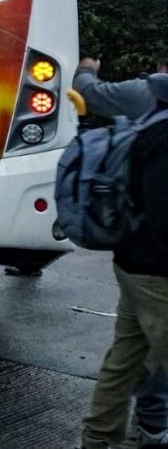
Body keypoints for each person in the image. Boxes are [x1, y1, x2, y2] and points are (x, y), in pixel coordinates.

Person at [75, 60, 168, 448]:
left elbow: (91, 92)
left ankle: (98, 438)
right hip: (157, 269)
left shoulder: (145, 109)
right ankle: (149, 424)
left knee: (127, 357)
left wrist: (85, 71)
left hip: (132, 260)